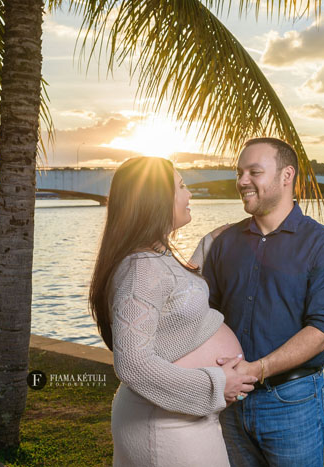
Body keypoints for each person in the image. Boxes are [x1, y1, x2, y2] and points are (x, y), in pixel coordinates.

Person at [88, 156, 257, 467]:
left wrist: (210, 243)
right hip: (165, 426)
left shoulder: (153, 256)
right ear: (156, 199)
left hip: (179, 418)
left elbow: (177, 292)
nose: (189, 194)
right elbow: (133, 365)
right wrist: (217, 383)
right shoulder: (141, 268)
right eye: (181, 186)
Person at [202, 138, 324, 466]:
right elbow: (205, 317)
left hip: (292, 402)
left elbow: (323, 329)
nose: (242, 181)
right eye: (240, 172)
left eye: (254, 171)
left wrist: (258, 369)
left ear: (286, 176)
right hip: (230, 400)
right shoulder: (223, 243)